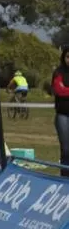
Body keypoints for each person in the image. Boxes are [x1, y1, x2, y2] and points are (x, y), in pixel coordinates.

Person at [51, 46, 69, 177]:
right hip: (63, 115)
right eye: (68, 57)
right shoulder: (58, 72)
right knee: (66, 149)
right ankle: (64, 175)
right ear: (64, 57)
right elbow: (59, 90)